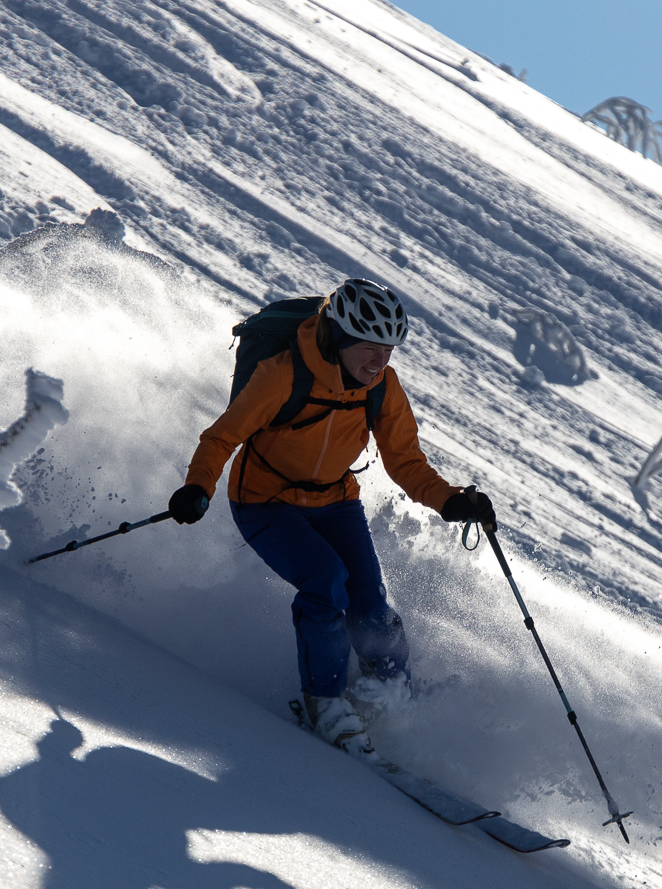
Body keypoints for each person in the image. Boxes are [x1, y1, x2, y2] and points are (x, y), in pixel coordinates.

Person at [167, 278, 496, 754]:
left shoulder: (381, 387)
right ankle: (324, 702)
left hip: (335, 499)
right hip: (264, 499)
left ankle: (390, 691)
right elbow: (221, 437)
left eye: (388, 350)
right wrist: (197, 487)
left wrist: (451, 501)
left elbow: (405, 460)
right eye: (367, 348)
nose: (378, 361)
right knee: (326, 580)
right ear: (338, 339)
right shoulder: (283, 375)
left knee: (370, 605)